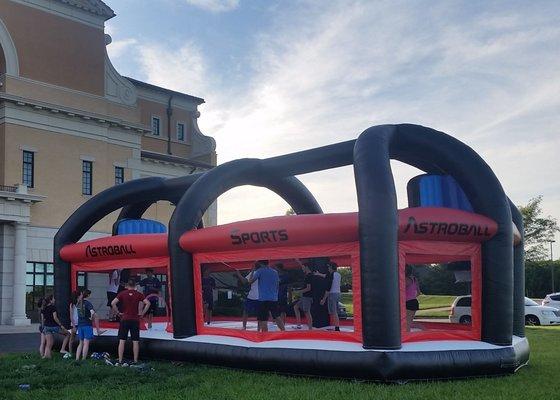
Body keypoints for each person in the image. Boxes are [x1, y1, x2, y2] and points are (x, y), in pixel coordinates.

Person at [111, 279, 151, 366]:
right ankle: (135, 360)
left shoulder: (122, 293)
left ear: (127, 286)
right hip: (135, 319)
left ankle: (120, 360)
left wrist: (118, 313)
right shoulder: (139, 294)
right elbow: (148, 303)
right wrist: (142, 314)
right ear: (135, 286)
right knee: (135, 341)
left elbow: (113, 303)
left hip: (124, 318)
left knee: (122, 340)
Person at [245, 260, 285, 332]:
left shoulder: (260, 271)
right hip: (273, 298)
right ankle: (283, 331)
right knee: (277, 316)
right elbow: (277, 285)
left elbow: (250, 281)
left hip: (263, 299)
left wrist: (253, 270)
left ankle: (265, 335)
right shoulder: (275, 272)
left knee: (263, 319)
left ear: (260, 263)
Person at [75, 289, 103, 361]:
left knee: (80, 343)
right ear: (88, 295)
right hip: (87, 325)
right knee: (86, 343)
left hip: (80, 325)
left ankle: (77, 358)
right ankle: (83, 359)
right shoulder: (87, 303)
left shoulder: (78, 303)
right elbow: (92, 311)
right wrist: (91, 317)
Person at [235, 264, 260, 330]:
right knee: (247, 311)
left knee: (247, 311)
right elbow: (245, 281)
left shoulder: (254, 273)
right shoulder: (255, 273)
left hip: (257, 296)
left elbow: (245, 281)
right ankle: (257, 328)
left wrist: (238, 274)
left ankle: (245, 326)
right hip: (255, 296)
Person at [320, 262, 341, 331]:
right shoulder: (338, 275)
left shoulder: (331, 275)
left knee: (334, 312)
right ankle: (336, 326)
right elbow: (326, 276)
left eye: (329, 267)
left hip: (332, 294)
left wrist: (323, 299)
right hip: (338, 294)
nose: (328, 269)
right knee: (335, 312)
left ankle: (337, 328)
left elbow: (328, 289)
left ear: (331, 268)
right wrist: (318, 274)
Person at [293, 260, 313, 330]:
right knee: (296, 307)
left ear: (306, 267)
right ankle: (298, 325)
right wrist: (298, 260)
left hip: (307, 296)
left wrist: (299, 291)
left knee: (307, 311)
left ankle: (310, 328)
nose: (302, 269)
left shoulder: (309, 276)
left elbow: (308, 288)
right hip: (304, 296)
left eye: (303, 267)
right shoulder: (308, 275)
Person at [60, 290, 80, 358]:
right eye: (80, 295)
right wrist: (74, 325)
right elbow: (71, 316)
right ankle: (71, 353)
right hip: (74, 323)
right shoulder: (72, 304)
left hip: (80, 323)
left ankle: (77, 353)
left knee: (80, 339)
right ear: (78, 296)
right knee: (72, 339)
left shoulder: (80, 303)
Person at [405, 265, 421, 332]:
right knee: (410, 321)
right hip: (414, 301)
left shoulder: (406, 279)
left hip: (408, 302)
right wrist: (412, 296)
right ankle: (423, 329)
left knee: (407, 323)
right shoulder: (414, 279)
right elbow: (419, 292)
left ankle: (407, 336)